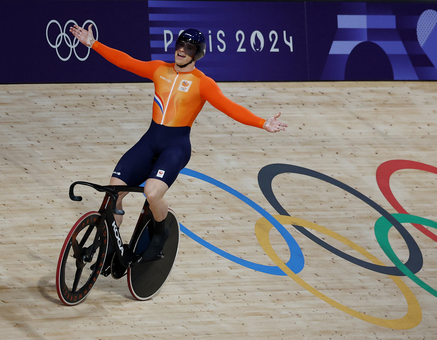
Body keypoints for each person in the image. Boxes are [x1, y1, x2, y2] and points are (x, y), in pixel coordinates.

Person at [69, 24, 287, 263]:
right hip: (150, 140)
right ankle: (107, 244)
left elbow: (229, 108)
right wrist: (93, 44)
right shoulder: (159, 69)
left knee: (152, 194)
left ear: (197, 54)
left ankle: (161, 233)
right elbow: (126, 61)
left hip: (176, 147)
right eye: (180, 45)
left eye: (189, 48)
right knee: (114, 191)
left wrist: (261, 123)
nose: (181, 50)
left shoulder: (203, 83)